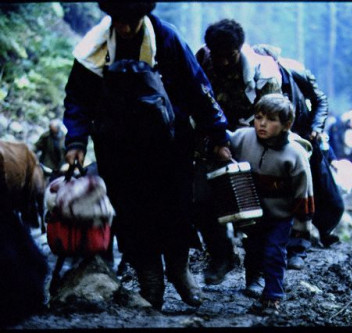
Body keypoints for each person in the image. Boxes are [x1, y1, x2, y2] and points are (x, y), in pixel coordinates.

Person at [62, 2, 232, 309]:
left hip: (169, 145)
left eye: (130, 21)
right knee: (131, 215)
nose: (124, 27)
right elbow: (77, 97)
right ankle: (150, 280)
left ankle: (180, 273)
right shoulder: (95, 45)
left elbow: (198, 89)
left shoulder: (167, 39)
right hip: (118, 149)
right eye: (118, 20)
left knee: (176, 211)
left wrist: (218, 134)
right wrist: (75, 141)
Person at [193, 19, 283, 286]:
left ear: (239, 49)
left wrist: (242, 142)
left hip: (254, 139)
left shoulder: (264, 72)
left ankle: (255, 273)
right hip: (210, 140)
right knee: (202, 201)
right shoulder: (199, 62)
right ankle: (222, 255)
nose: (221, 62)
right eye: (216, 55)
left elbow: (273, 116)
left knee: (255, 209)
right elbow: (192, 105)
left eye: (228, 56)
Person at [252, 44, 343, 270]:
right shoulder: (252, 81)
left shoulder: (296, 72)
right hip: (270, 144)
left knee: (317, 191)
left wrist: (315, 127)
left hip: (303, 139)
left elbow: (320, 100)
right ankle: (291, 247)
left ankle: (320, 232)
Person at [228, 94, 314, 314]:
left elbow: (303, 191)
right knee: (253, 248)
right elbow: (223, 138)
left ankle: (273, 297)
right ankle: (252, 280)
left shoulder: (295, 154)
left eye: (271, 120)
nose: (262, 124)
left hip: (280, 216)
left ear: (287, 125)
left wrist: (302, 225)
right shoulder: (244, 138)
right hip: (251, 212)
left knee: (274, 252)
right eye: (258, 117)